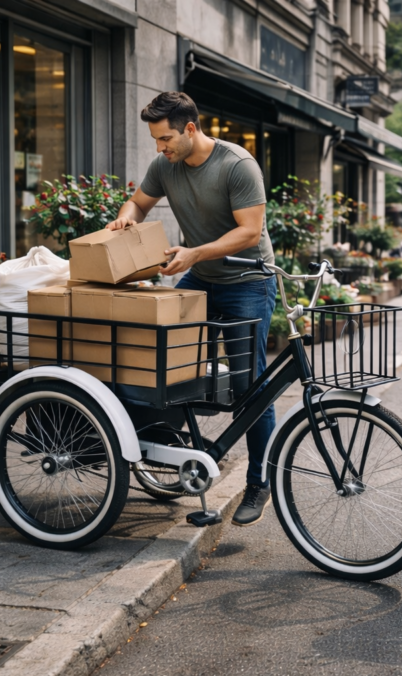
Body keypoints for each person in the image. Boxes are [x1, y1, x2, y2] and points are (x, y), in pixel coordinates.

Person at [105, 91, 277, 528]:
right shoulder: (166, 164)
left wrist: (195, 254)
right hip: (200, 276)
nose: (160, 149)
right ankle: (176, 453)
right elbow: (139, 202)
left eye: (165, 139)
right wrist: (126, 218)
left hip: (247, 283)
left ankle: (258, 482)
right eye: (155, 141)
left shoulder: (236, 165)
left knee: (249, 386)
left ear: (191, 129)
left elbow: (249, 233)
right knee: (167, 363)